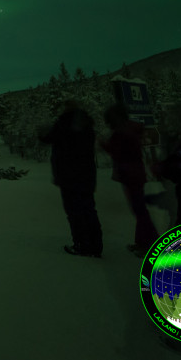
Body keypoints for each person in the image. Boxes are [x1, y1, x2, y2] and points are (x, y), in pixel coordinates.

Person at [40, 100, 103, 257]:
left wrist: (42, 131)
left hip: (68, 176)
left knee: (74, 211)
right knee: (88, 209)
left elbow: (47, 138)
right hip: (86, 174)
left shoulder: (63, 124)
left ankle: (81, 244)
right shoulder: (87, 125)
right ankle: (95, 245)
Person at [101, 104, 158, 257]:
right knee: (138, 209)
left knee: (139, 210)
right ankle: (142, 242)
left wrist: (104, 145)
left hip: (130, 174)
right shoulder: (130, 129)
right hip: (134, 173)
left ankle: (151, 244)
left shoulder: (122, 132)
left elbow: (119, 152)